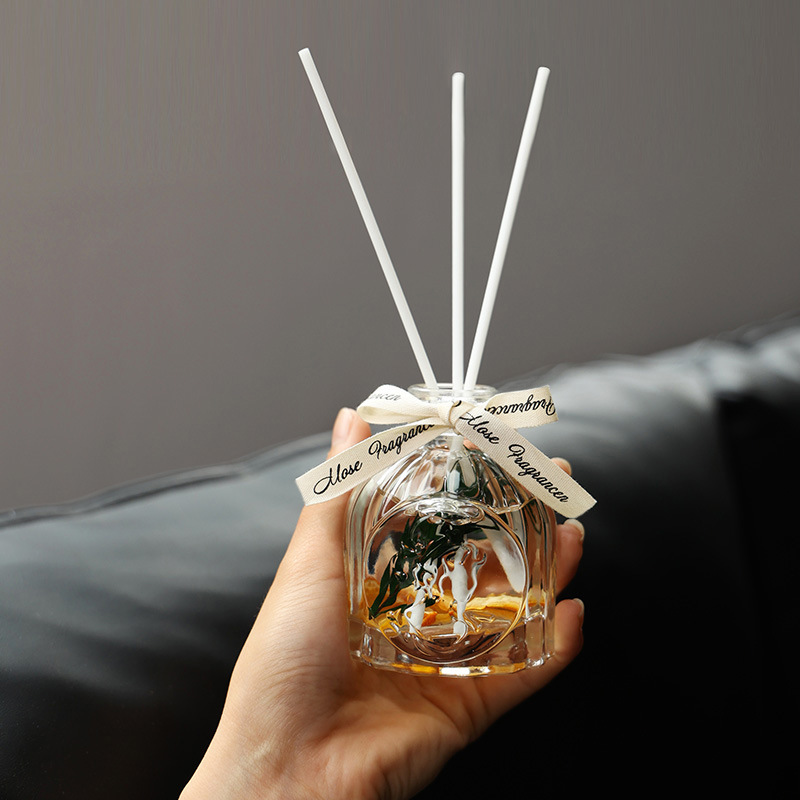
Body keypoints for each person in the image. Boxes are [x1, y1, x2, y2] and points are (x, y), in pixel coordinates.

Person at [180, 408, 586, 800]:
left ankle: (444, 616)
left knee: (457, 593)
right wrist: (281, 763)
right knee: (435, 590)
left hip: (462, 631)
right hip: (390, 653)